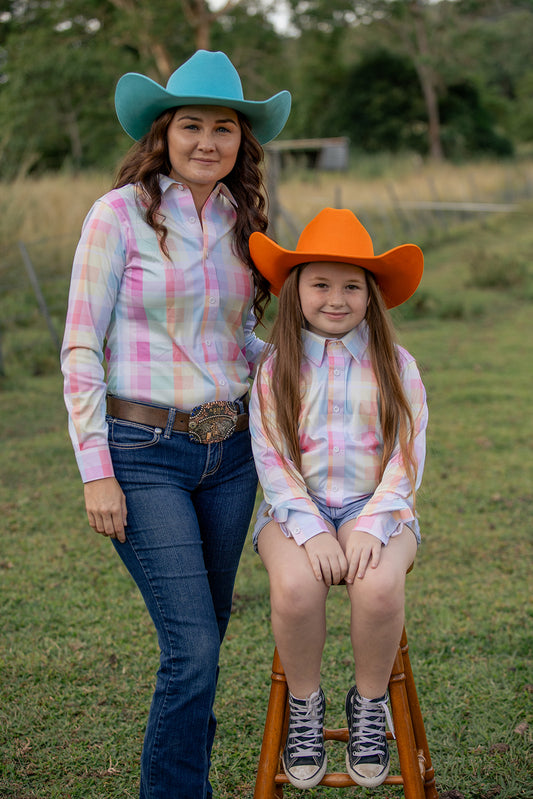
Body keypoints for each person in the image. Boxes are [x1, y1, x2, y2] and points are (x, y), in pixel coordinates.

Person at [61, 49, 290, 799]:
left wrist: (310, 356)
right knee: (191, 648)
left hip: (229, 458)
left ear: (240, 142)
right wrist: (97, 470)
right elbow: (79, 348)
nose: (207, 141)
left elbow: (235, 341)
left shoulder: (239, 218)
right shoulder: (116, 214)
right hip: (143, 453)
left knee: (205, 641)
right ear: (162, 134)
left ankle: (185, 779)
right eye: (190, 125)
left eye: (223, 128)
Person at [248, 208, 428, 790]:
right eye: (320, 283)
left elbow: (407, 455)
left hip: (377, 507)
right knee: (297, 587)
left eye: (352, 286)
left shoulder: (396, 367)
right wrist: (311, 528)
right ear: (296, 289)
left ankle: (370, 705)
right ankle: (305, 704)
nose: (336, 298)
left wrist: (372, 525)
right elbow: (271, 458)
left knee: (377, 586)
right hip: (292, 509)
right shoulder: (276, 368)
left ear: (371, 296)